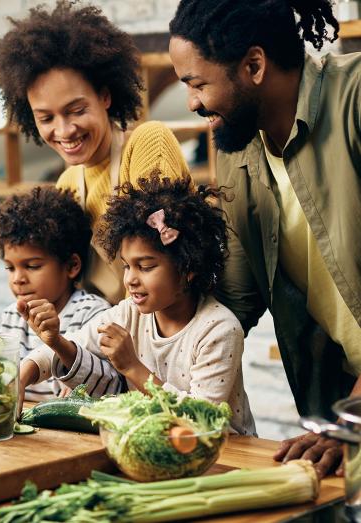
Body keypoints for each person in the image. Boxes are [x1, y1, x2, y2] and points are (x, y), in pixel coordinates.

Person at [169, 0, 361, 477]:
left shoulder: (355, 98)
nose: (192, 103)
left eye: (197, 83)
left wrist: (350, 420)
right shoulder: (240, 144)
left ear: (254, 65)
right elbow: (236, 295)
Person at [17, 173, 256, 436]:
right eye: (126, 266)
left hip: (226, 452)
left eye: (145, 267)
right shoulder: (129, 313)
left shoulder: (218, 329)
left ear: (188, 267)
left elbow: (202, 418)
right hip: (158, 448)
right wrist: (22, 376)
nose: (130, 279)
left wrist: (133, 367)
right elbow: (72, 343)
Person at [0, 0, 190, 305]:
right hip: (100, 340)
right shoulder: (68, 183)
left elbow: (161, 263)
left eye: (77, 110)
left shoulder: (148, 142)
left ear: (105, 96)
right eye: (46, 118)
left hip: (165, 337)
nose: (65, 130)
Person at [0, 186, 122, 405]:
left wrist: (73, 370)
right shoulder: (9, 320)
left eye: (33, 266)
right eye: (10, 268)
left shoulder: (93, 314)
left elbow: (111, 384)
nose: (18, 278)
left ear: (72, 265)